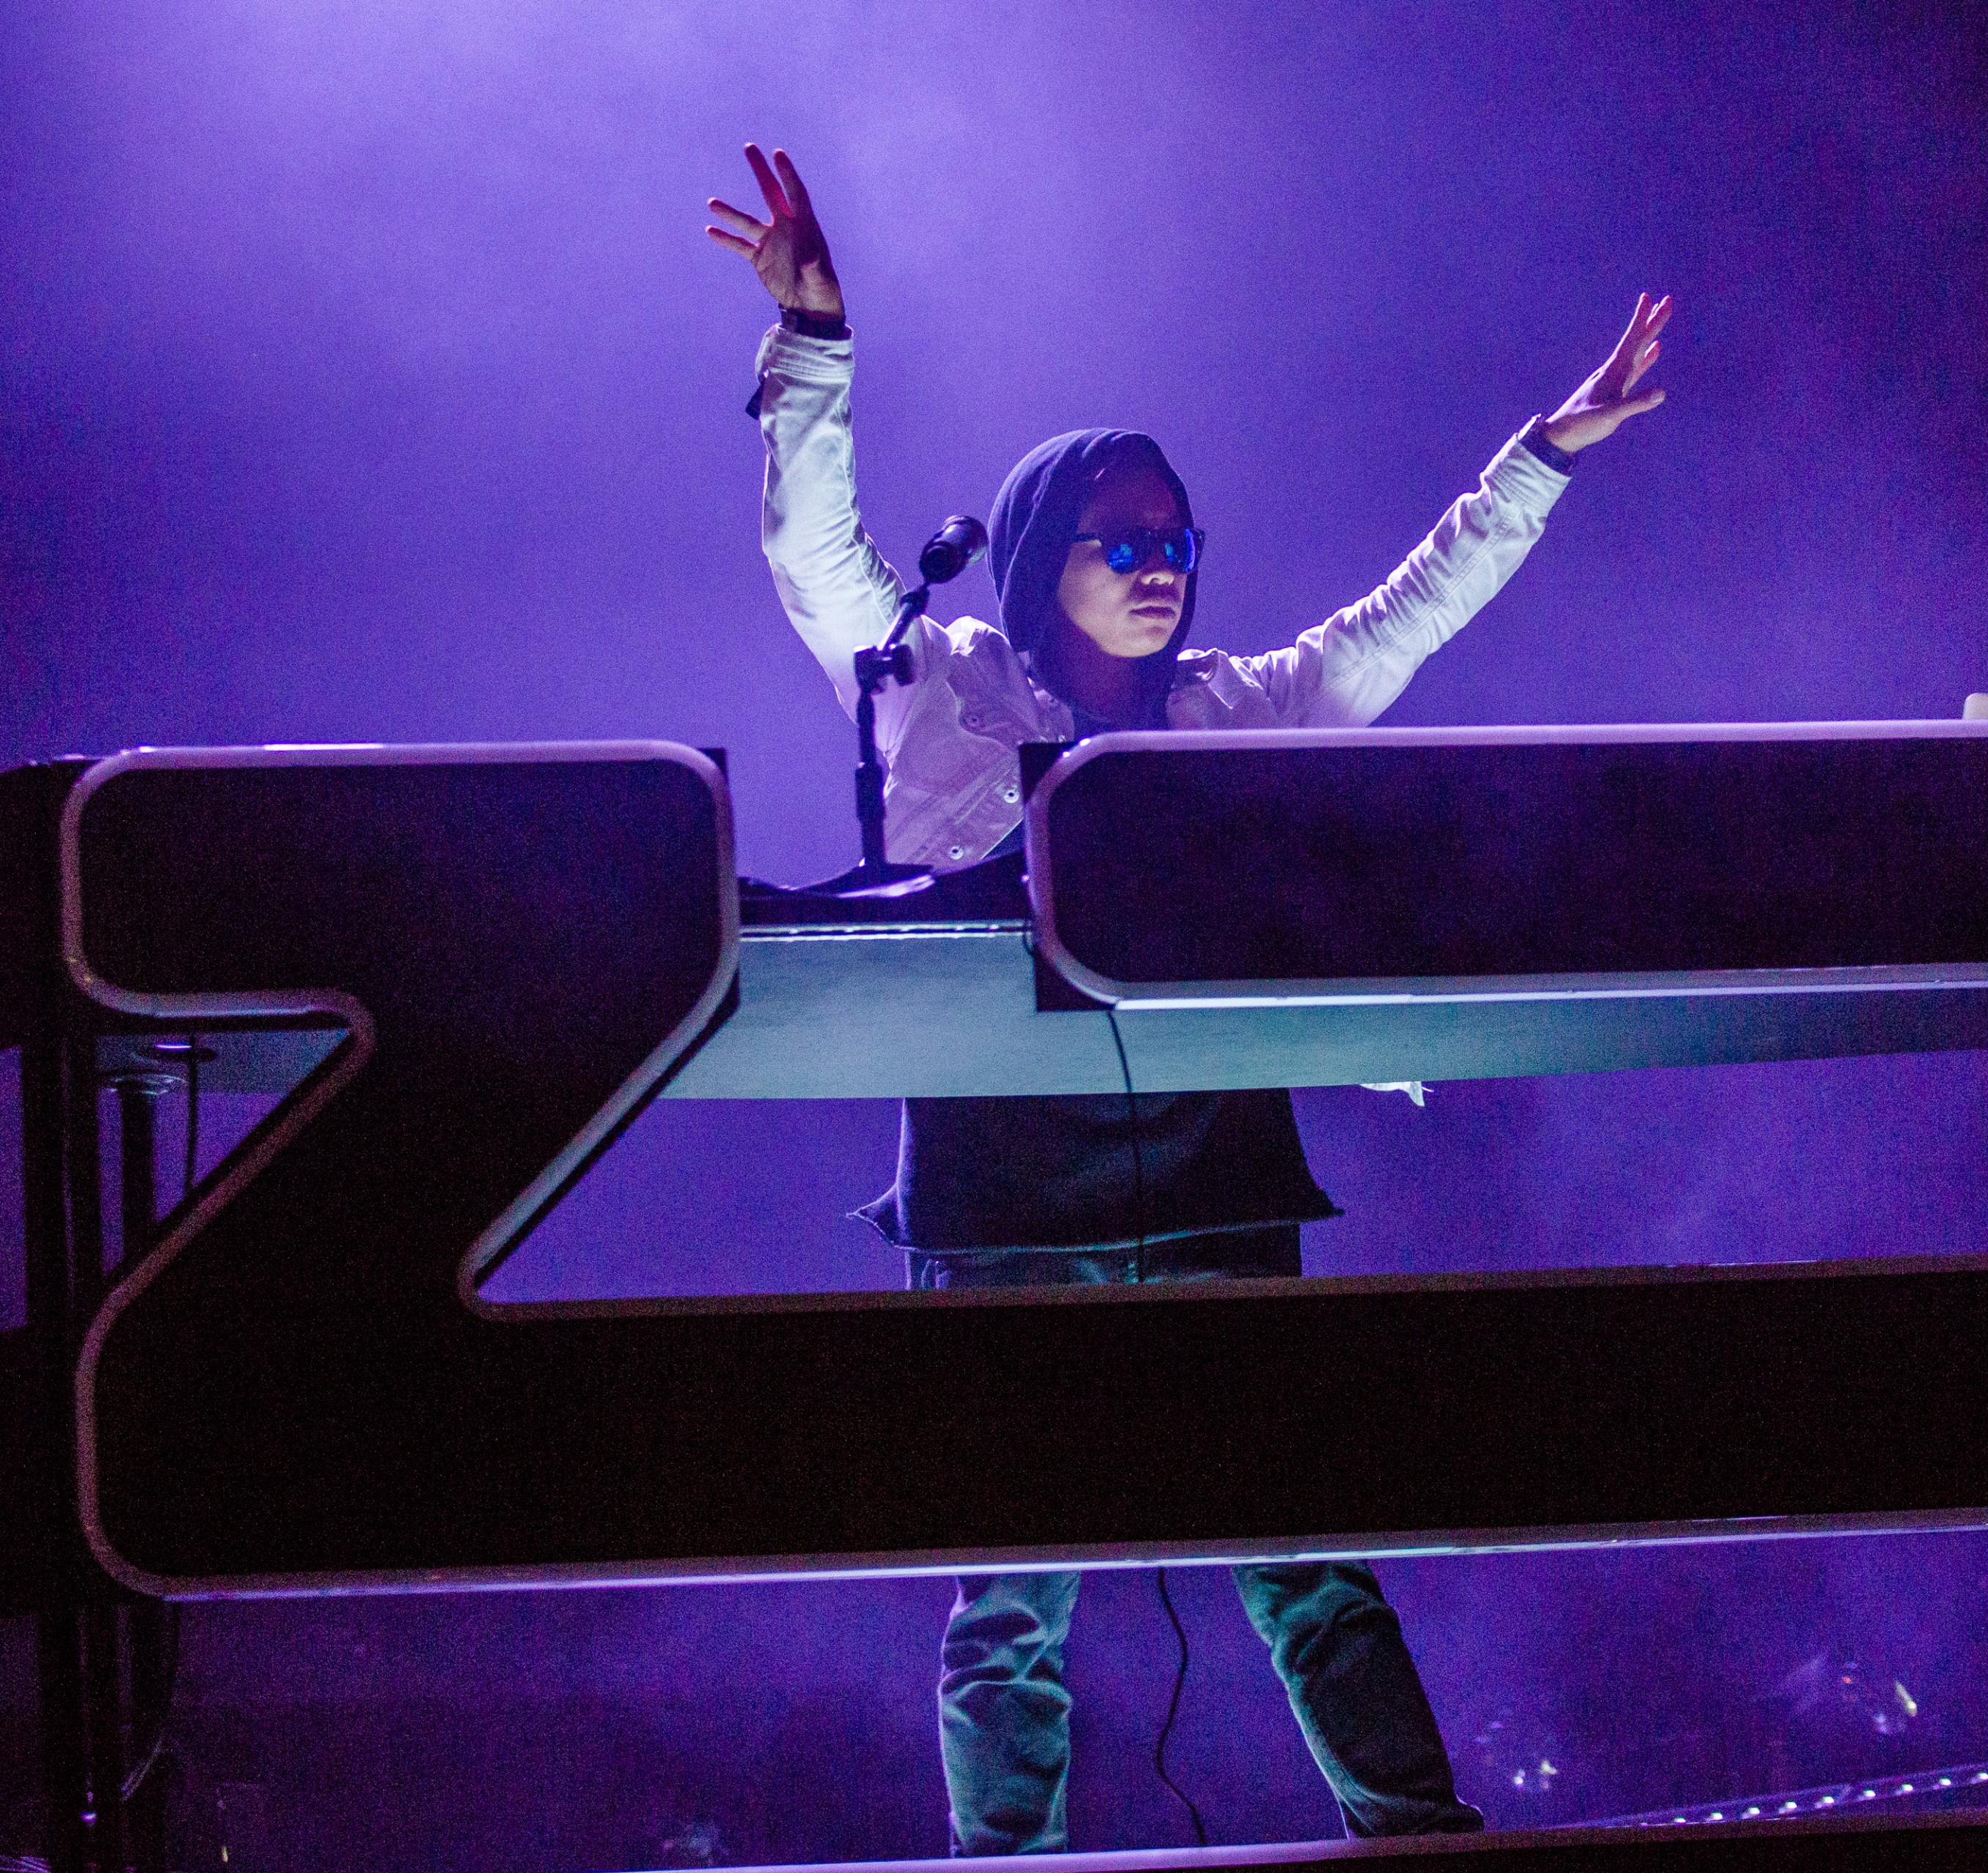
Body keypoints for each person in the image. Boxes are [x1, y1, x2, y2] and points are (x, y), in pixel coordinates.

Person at [708, 142, 1668, 1855]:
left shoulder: (1240, 702)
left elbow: (1408, 615)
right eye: (1120, 538)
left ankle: (1417, 1836)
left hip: (1217, 1174)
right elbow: (814, 555)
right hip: (1004, 1197)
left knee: (1303, 1546)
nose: (1161, 563)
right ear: (1035, 557)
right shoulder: (934, 686)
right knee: (1011, 1585)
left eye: (1177, 538)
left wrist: (1540, 458)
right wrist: (817, 356)